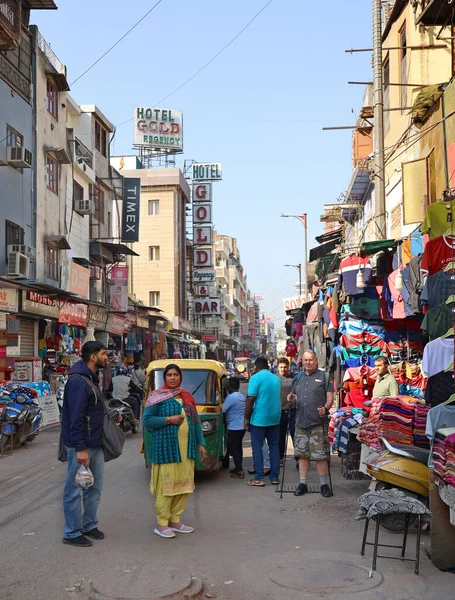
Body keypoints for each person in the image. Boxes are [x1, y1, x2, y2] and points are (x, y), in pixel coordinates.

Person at [143, 364, 207, 539]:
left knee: (183, 486)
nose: (172, 378)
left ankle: (175, 519)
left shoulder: (186, 396)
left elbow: (195, 422)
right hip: (166, 448)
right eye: (169, 375)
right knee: (167, 486)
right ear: (165, 377)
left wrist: (201, 444)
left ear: (180, 377)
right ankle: (162, 523)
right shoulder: (157, 397)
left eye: (175, 375)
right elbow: (147, 421)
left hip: (187, 450)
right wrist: (168, 420)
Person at [61, 341, 109, 547]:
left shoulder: (91, 378)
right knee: (74, 489)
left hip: (95, 443)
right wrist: (80, 448)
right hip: (81, 446)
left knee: (94, 488)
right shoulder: (78, 382)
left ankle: (89, 525)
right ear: (92, 357)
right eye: (103, 353)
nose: (107, 357)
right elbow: (75, 418)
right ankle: (71, 532)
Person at [291, 350, 334, 498]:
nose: (308, 362)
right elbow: (295, 396)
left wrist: (325, 408)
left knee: (320, 455)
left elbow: (330, 398)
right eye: (305, 360)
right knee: (303, 455)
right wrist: (292, 398)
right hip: (301, 421)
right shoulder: (298, 377)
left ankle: (324, 485)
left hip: (317, 423)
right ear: (302, 361)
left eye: (311, 360)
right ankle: (302, 483)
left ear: (316, 361)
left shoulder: (324, 376)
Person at [244, 356, 281, 487]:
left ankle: (259, 478)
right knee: (274, 447)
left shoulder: (255, 378)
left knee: (257, 448)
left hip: (259, 419)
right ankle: (275, 477)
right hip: (275, 418)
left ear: (257, 367)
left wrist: (246, 418)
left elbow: (250, 399)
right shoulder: (276, 379)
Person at [222, 377, 246, 478]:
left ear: (229, 386)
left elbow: (222, 409)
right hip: (241, 427)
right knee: (238, 447)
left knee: (234, 448)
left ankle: (239, 471)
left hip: (234, 427)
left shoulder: (231, 397)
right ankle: (238, 467)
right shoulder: (240, 396)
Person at [277, 357, 296, 466]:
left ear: (288, 367)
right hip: (280, 412)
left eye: (285, 367)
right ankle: (280, 458)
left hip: (293, 411)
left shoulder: (294, 378)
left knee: (295, 435)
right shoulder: (275, 378)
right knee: (280, 436)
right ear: (277, 366)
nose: (283, 369)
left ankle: (299, 459)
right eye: (281, 367)